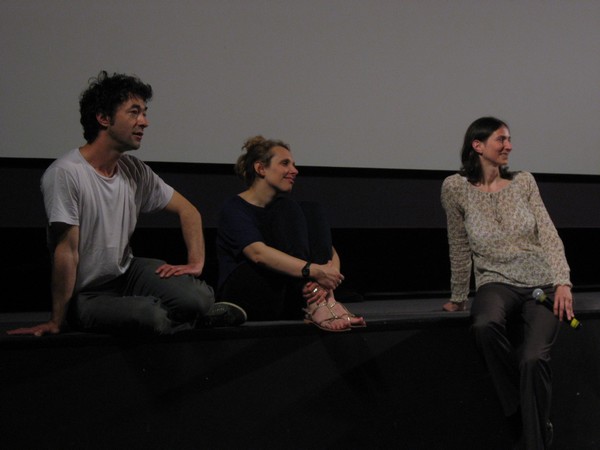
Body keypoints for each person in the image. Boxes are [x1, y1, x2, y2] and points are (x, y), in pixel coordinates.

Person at [8, 71, 244, 337]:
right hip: (86, 293)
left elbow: (188, 211)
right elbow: (67, 252)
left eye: (144, 112)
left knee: (198, 298)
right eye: (134, 112)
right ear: (104, 118)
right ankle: (180, 319)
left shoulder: (134, 170)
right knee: (149, 316)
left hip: (126, 273)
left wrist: (195, 263)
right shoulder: (66, 172)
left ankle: (193, 314)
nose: (144, 122)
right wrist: (56, 321)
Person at [441, 116, 574, 449]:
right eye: (501, 139)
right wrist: (459, 296)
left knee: (533, 358)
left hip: (540, 283)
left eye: (509, 139)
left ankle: (535, 437)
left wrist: (563, 282)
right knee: (484, 324)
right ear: (478, 145)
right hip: (496, 281)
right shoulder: (455, 188)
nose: (509, 146)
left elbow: (548, 233)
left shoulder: (524, 182)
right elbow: (458, 245)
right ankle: (520, 405)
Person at [216, 135, 366, 331]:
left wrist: (327, 281)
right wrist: (314, 272)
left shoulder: (287, 210)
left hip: (286, 294)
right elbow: (258, 254)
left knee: (311, 209)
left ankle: (325, 301)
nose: (294, 171)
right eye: (285, 163)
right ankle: (317, 303)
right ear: (260, 168)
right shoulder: (234, 207)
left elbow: (328, 250)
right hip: (246, 292)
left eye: (293, 164)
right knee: (288, 210)